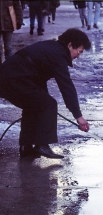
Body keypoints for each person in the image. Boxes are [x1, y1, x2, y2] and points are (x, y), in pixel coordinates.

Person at [0, 28, 91, 159]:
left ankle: (26, 147)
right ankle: (42, 145)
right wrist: (78, 116)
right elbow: (66, 86)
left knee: (36, 105)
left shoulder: (52, 48)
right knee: (49, 104)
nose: (78, 55)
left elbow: (37, 78)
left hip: (10, 78)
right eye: (79, 51)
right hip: (13, 79)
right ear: (70, 45)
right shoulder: (58, 54)